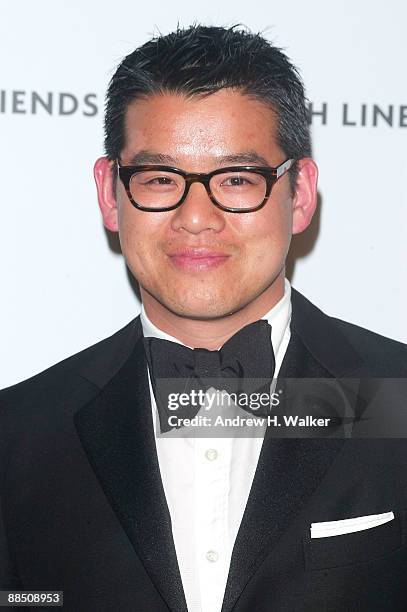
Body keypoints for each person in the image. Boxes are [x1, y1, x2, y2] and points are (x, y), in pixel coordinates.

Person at [1, 24, 407, 612]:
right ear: (110, 195)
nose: (196, 217)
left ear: (299, 195)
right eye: (160, 179)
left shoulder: (398, 398)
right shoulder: (19, 437)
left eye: (237, 180)